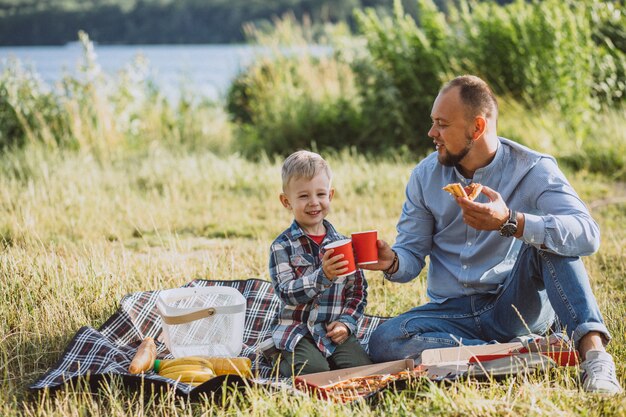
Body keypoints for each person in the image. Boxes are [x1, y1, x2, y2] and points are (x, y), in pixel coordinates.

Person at [363, 75, 622, 394]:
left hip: (513, 303)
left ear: (477, 128)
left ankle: (595, 358)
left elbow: (587, 235)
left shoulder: (533, 170)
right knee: (385, 341)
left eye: (442, 124)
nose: (432, 133)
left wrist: (514, 221)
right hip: (452, 312)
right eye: (433, 123)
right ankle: (522, 352)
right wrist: (392, 261)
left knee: (551, 241)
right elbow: (411, 257)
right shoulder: (424, 176)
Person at [269, 150, 373, 377]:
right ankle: (279, 360)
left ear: (331, 195)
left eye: (320, 194)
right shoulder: (282, 246)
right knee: (316, 371)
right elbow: (286, 292)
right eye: (304, 196)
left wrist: (346, 324)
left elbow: (357, 293)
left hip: (332, 330)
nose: (314, 203)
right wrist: (322, 276)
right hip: (297, 331)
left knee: (362, 370)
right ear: (286, 201)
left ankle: (327, 358)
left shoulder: (343, 244)